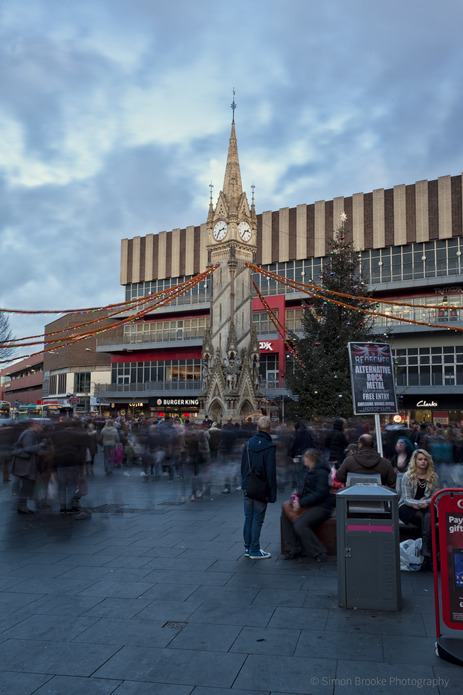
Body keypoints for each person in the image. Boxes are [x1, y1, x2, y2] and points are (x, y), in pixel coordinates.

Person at [281, 448, 333, 562]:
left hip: (322, 506)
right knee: (285, 513)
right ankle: (291, 548)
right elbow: (305, 488)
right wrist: (297, 496)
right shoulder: (310, 470)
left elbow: (321, 493)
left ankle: (319, 552)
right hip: (310, 503)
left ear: (311, 459)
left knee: (300, 525)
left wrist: (301, 503)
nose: (303, 459)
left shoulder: (321, 472)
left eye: (305, 457)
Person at [241, 416, 277, 559]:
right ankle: (255, 550)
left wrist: (244, 483)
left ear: (257, 428)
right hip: (261, 487)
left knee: (248, 517)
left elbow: (243, 466)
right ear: (270, 429)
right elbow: (271, 472)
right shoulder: (269, 446)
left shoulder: (249, 444)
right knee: (258, 519)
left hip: (247, 485)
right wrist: (272, 493)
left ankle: (247, 548)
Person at [398, 449, 439, 560]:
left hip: (427, 506)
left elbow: (435, 498)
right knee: (427, 518)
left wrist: (425, 503)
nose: (423, 462)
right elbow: (406, 498)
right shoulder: (407, 476)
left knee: (429, 512)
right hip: (407, 507)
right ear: (415, 461)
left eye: (425, 459)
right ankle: (427, 547)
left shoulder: (433, 477)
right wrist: (417, 504)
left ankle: (425, 546)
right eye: (420, 459)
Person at [11, 420, 46, 514]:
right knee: (27, 486)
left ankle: (22, 505)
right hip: (25, 465)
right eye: (40, 425)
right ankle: (22, 506)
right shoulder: (28, 434)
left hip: (25, 464)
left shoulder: (30, 433)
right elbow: (28, 448)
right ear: (34, 425)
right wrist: (40, 446)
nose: (42, 427)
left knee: (27, 486)